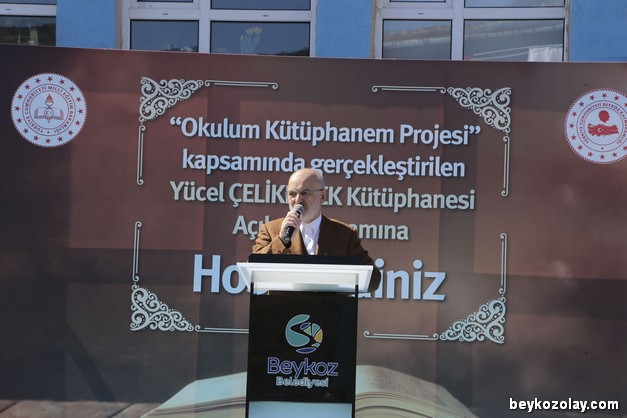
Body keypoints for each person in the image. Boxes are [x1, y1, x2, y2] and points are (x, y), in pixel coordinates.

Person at [252, 168, 381, 293]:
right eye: (292, 194)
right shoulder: (271, 229)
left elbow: (373, 280)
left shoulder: (344, 234)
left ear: (323, 196)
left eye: (305, 193)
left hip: (330, 307)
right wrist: (282, 240)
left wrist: (339, 276)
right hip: (283, 307)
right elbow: (254, 271)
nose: (298, 200)